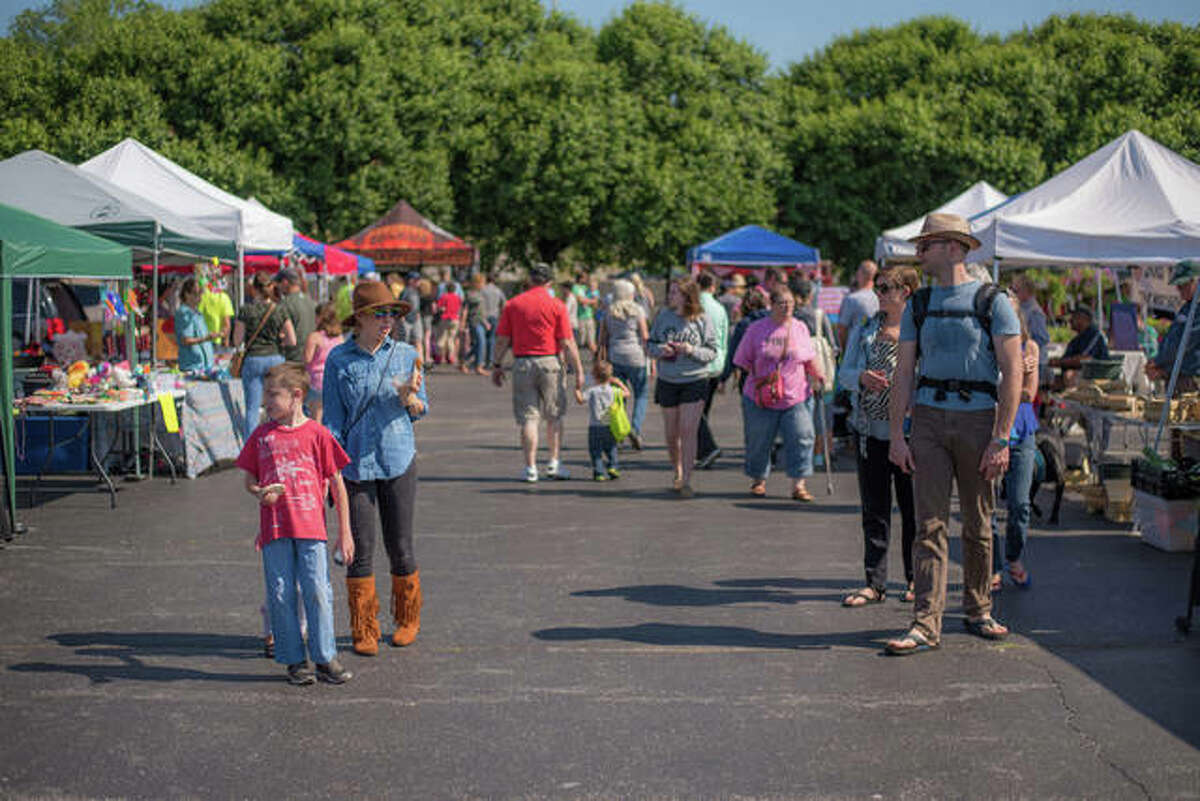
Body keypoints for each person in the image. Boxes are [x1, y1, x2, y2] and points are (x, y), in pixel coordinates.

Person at [884, 213, 1022, 656]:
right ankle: (925, 622)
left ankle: (979, 608)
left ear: (956, 249)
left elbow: (1013, 370)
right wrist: (897, 435)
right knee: (929, 524)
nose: (920, 251)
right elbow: (904, 371)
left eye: (929, 244)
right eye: (921, 244)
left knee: (979, 523)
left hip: (979, 421)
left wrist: (1001, 437)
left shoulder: (992, 300)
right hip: (926, 420)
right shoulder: (918, 305)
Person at [323, 281, 428, 656]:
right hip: (354, 464)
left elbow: (421, 409)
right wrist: (325, 469)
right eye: (380, 314)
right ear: (361, 318)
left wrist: (410, 400)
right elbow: (333, 420)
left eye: (393, 314)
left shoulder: (406, 354)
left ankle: (407, 619)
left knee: (400, 544)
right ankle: (364, 628)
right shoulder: (339, 359)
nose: (389, 321)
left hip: (399, 456)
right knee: (360, 548)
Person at [236, 362, 354, 685]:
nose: (266, 402)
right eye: (265, 395)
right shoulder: (262, 436)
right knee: (280, 593)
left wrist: (345, 533)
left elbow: (338, 484)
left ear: (297, 396)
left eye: (273, 395)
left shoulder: (318, 435)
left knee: (317, 590)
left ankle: (324, 656)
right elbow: (249, 479)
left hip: (312, 530)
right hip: (275, 529)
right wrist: (259, 492)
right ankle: (293, 659)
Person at [837, 266, 920, 606]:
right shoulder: (866, 328)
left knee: (914, 509)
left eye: (887, 288)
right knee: (875, 510)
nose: (879, 293)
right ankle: (874, 582)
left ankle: (916, 579)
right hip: (870, 430)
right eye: (879, 287)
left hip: (912, 434)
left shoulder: (920, 332)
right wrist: (861, 378)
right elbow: (843, 373)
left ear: (907, 293)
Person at [491, 263, 586, 482]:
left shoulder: (513, 304)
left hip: (523, 363)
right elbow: (567, 342)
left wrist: (496, 364)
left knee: (528, 418)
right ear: (550, 282)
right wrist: (579, 370)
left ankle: (530, 467)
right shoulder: (557, 305)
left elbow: (502, 340)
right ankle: (554, 463)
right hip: (550, 362)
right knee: (554, 415)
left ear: (529, 280)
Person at [732, 285, 823, 501]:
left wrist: (819, 375)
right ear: (771, 305)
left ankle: (798, 484)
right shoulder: (755, 329)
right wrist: (763, 376)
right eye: (782, 303)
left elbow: (809, 357)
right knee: (759, 440)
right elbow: (741, 361)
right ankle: (758, 480)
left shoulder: (800, 328)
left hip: (795, 395)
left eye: (791, 303)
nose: (787, 307)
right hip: (761, 397)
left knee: (802, 437)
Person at [648, 277, 718, 498]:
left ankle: (686, 478)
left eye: (676, 292)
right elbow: (649, 345)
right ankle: (676, 469)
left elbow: (712, 352)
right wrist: (661, 350)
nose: (671, 296)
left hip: (695, 379)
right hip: (668, 380)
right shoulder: (663, 316)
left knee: (688, 430)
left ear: (688, 295)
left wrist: (689, 350)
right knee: (671, 433)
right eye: (670, 292)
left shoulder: (702, 319)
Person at [991, 308, 1040, 591]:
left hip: (1021, 430)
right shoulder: (988, 343)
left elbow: (1028, 395)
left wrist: (1005, 383)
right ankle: (994, 566)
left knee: (1020, 504)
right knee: (987, 505)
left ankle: (1013, 557)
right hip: (989, 429)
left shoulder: (1029, 346)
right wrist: (1015, 376)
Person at [1145, 259, 1200, 460]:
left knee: (1191, 433)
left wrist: (1158, 363)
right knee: (1175, 433)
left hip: (1191, 379)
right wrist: (1157, 364)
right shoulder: (1186, 308)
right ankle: (1178, 475)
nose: (1178, 289)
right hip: (1177, 377)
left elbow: (1185, 343)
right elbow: (1171, 340)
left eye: (1184, 284)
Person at [233, 272, 296, 442]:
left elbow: (236, 340)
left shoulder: (246, 310)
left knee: (253, 408)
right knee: (278, 405)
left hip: (253, 358)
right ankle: (279, 442)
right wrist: (279, 339)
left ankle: (251, 451)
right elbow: (292, 340)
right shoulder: (279, 309)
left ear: (254, 289)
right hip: (275, 358)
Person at [598, 278, 649, 450]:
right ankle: (635, 428)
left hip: (616, 357)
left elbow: (602, 338)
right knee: (641, 395)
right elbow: (644, 336)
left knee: (619, 397)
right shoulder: (638, 311)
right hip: (636, 357)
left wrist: (600, 357)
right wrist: (652, 359)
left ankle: (619, 432)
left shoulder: (608, 312)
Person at [695, 271, 729, 469]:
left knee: (693, 410)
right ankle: (702, 451)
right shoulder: (719, 308)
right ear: (713, 287)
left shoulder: (696, 306)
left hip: (698, 364)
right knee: (703, 410)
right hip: (716, 363)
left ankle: (707, 448)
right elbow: (724, 338)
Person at [583, 360, 631, 481]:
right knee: (611, 448)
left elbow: (580, 399)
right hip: (610, 425)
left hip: (595, 426)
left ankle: (599, 472)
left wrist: (577, 389)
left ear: (594, 375)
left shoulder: (592, 391)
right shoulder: (614, 391)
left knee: (596, 450)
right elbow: (627, 393)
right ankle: (613, 467)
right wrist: (619, 383)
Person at [303, 302, 343, 424]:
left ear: (320, 317)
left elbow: (307, 360)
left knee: (316, 419)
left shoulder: (314, 337)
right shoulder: (339, 338)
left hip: (317, 382)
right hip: (334, 381)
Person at [1049, 306, 1109, 385]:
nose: (1070, 320)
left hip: (1094, 375)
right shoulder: (1077, 339)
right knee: (1048, 379)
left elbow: (1084, 359)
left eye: (1074, 317)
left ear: (1084, 319)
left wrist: (1060, 362)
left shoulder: (1094, 335)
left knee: (1069, 375)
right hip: (1079, 374)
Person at [174, 277, 217, 374]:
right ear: (187, 294)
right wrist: (206, 338)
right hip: (192, 367)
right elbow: (185, 340)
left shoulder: (198, 314)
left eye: (201, 293)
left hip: (204, 367)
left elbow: (201, 337)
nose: (200, 296)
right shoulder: (184, 313)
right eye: (196, 293)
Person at [275, 268, 316, 365]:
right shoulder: (311, 302)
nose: (278, 287)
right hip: (311, 356)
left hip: (292, 357)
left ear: (285, 282)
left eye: (279, 283)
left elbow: (280, 332)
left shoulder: (285, 304)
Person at [1012, 274, 1050, 379]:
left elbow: (1043, 338)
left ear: (1026, 291)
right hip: (1028, 360)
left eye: (1015, 291)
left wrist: (1025, 344)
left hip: (1036, 362)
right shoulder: (1023, 308)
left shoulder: (1034, 312)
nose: (1012, 294)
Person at [836, 260, 880, 350]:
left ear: (859, 274)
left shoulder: (851, 299)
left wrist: (845, 350)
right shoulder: (881, 298)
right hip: (876, 350)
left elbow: (841, 330)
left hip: (855, 351)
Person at [460, 273, 489, 375]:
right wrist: (462, 323)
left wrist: (486, 322)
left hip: (481, 321)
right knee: (481, 342)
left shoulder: (481, 293)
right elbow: (465, 309)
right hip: (474, 321)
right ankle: (478, 366)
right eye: (482, 282)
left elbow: (481, 310)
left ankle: (464, 361)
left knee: (477, 345)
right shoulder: (470, 294)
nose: (484, 284)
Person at [197, 276, 234, 347]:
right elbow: (227, 324)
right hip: (216, 340)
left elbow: (197, 316)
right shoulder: (224, 298)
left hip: (201, 339)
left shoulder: (203, 296)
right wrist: (226, 342)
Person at [481, 272, 507, 367]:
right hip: (494, 316)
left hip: (483, 316)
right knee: (491, 338)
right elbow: (504, 304)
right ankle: (490, 360)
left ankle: (481, 359)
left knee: (482, 339)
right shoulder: (498, 291)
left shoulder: (482, 290)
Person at [434, 282, 463, 365]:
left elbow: (439, 307)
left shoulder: (444, 296)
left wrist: (442, 309)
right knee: (451, 338)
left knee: (442, 338)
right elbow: (460, 308)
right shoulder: (458, 297)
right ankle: (451, 355)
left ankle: (439, 355)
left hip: (445, 318)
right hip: (455, 319)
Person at [573, 272, 600, 354]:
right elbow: (581, 300)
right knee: (580, 341)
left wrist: (594, 300)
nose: (586, 280)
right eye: (585, 278)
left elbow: (595, 301)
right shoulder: (575, 288)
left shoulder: (586, 287)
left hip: (589, 316)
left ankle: (597, 360)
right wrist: (593, 301)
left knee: (592, 341)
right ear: (580, 278)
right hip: (580, 317)